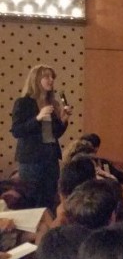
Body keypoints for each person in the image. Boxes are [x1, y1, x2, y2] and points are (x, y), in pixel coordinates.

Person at [10, 64, 73, 211]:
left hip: (50, 157)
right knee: (31, 198)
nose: (51, 80)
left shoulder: (52, 104)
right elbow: (17, 131)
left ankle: (46, 229)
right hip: (31, 160)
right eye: (46, 76)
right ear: (36, 79)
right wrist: (38, 118)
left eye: (52, 77)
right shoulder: (23, 103)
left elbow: (55, 134)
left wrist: (63, 119)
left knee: (49, 198)